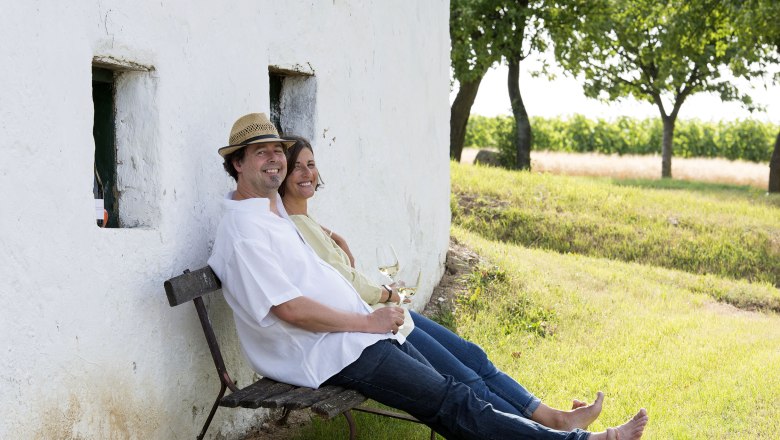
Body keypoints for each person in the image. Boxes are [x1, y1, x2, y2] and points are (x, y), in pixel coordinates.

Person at [207, 112, 648, 439]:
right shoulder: (244, 230)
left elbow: (307, 253)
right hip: (327, 353)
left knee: (457, 394)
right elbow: (289, 309)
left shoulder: (267, 213)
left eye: (277, 151)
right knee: (451, 400)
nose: (275, 160)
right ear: (237, 164)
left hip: (354, 337)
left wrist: (364, 300)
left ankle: (566, 432)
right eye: (260, 152)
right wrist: (367, 319)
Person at [279, 135, 607, 431]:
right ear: (281, 176)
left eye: (311, 164)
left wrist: (340, 242)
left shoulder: (308, 222)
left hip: (383, 310)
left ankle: (552, 418)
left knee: (472, 357)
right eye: (297, 167)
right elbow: (344, 282)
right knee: (465, 378)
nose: (307, 173)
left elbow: (339, 271)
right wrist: (387, 292)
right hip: (375, 320)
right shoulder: (295, 225)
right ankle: (546, 433)